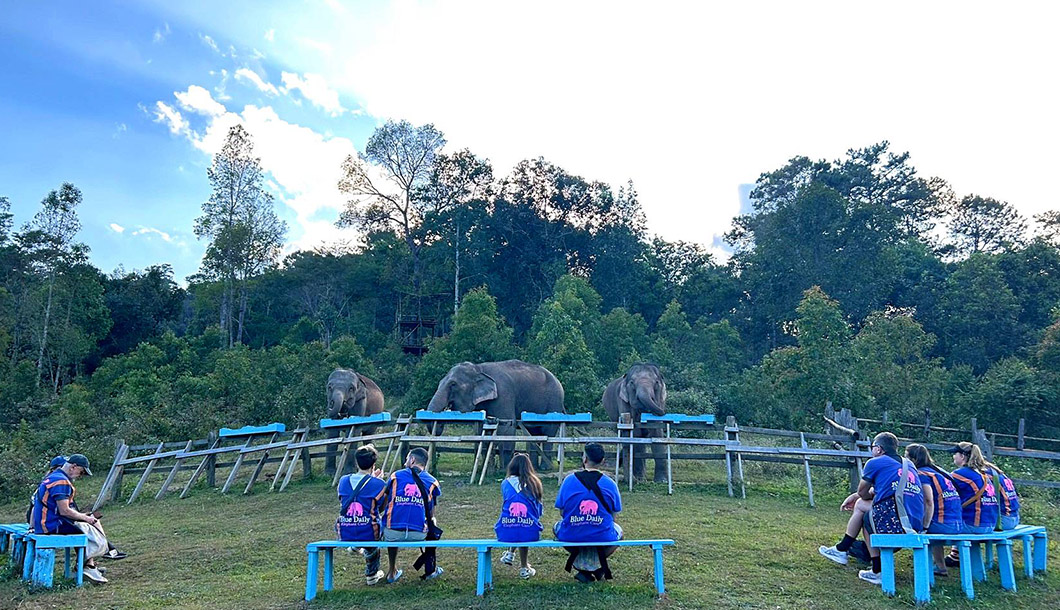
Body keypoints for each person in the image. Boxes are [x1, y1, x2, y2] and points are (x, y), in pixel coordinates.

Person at [849, 432, 925, 586]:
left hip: (897, 523)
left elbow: (863, 492)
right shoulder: (909, 465)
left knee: (866, 515)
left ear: (878, 448)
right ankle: (847, 548)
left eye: (872, 447)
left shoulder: (875, 462)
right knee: (867, 511)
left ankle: (875, 569)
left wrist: (857, 496)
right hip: (916, 523)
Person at [30, 454, 110, 583]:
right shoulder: (61, 481)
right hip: (51, 525)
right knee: (90, 531)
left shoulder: (53, 477)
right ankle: (87, 567)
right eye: (81, 472)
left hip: (45, 523)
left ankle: (86, 566)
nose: (81, 475)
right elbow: (65, 511)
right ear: (73, 467)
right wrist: (85, 518)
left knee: (86, 525)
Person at [554, 442, 623, 583]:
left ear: (584, 459)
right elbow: (613, 516)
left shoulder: (568, 481)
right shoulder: (610, 484)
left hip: (572, 534)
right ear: (602, 461)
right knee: (619, 533)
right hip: (602, 535)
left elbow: (562, 511)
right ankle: (597, 569)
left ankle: (584, 571)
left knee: (557, 528)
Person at [376, 447, 442, 583]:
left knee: (392, 520)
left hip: (392, 533)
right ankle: (430, 569)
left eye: (407, 459)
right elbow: (430, 514)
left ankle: (391, 571)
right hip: (419, 534)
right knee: (433, 522)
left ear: (412, 460)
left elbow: (384, 505)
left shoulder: (395, 476)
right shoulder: (432, 482)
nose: (406, 462)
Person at [905, 443, 963, 575]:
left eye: (906, 457)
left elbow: (928, 501)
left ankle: (926, 567)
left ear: (914, 460)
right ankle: (940, 566)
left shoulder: (921, 474)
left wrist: (924, 527)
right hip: (958, 524)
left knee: (917, 527)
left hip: (943, 525)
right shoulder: (939, 471)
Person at [336, 444, 388, 586]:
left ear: (356, 462)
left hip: (345, 531)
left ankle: (355, 546)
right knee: (377, 529)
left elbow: (343, 501)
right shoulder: (379, 484)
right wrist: (378, 481)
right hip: (368, 531)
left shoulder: (343, 481)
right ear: (374, 464)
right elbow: (381, 508)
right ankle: (371, 574)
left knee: (357, 522)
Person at [944, 441, 1003, 566]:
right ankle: (956, 555)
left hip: (976, 525)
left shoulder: (960, 474)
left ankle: (940, 565)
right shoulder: (981, 473)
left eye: (955, 454)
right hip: (990, 524)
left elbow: (944, 489)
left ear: (963, 456)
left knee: (936, 524)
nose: (953, 456)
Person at [495, 453, 544, 579]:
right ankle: (524, 567)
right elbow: (538, 511)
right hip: (530, 531)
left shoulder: (505, 483)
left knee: (516, 523)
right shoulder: (535, 483)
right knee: (524, 525)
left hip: (504, 530)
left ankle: (511, 554)